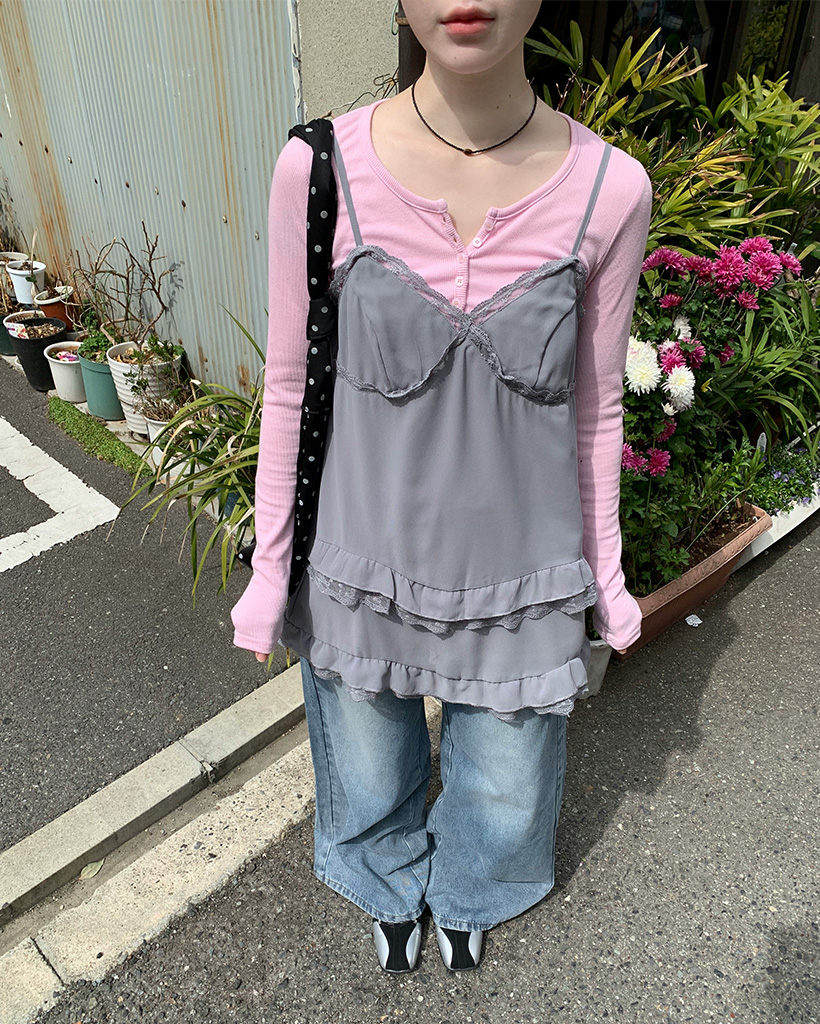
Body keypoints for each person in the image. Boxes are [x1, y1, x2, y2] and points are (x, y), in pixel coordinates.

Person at [231, 0, 651, 974]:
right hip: (363, 560)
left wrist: (608, 573)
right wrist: (271, 567)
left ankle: (478, 883)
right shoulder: (319, 169)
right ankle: (379, 872)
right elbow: (290, 386)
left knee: (506, 793)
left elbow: (596, 409)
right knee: (368, 768)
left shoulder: (609, 188)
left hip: (523, 574)